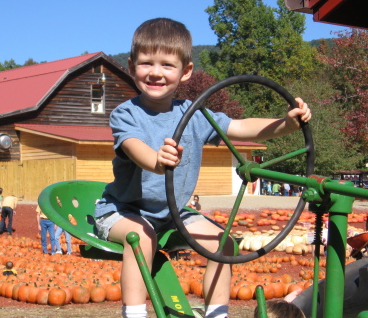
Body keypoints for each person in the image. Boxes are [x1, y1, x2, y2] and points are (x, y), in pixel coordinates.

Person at [94, 17, 311, 318]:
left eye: (167, 65)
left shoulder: (196, 115)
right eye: (146, 63)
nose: (156, 73)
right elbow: (135, 148)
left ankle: (216, 313)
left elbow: (241, 127)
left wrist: (286, 124)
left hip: (173, 214)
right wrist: (158, 161)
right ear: (131, 67)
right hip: (124, 211)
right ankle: (134, 313)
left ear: (186, 72)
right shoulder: (126, 114)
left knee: (224, 244)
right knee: (141, 237)